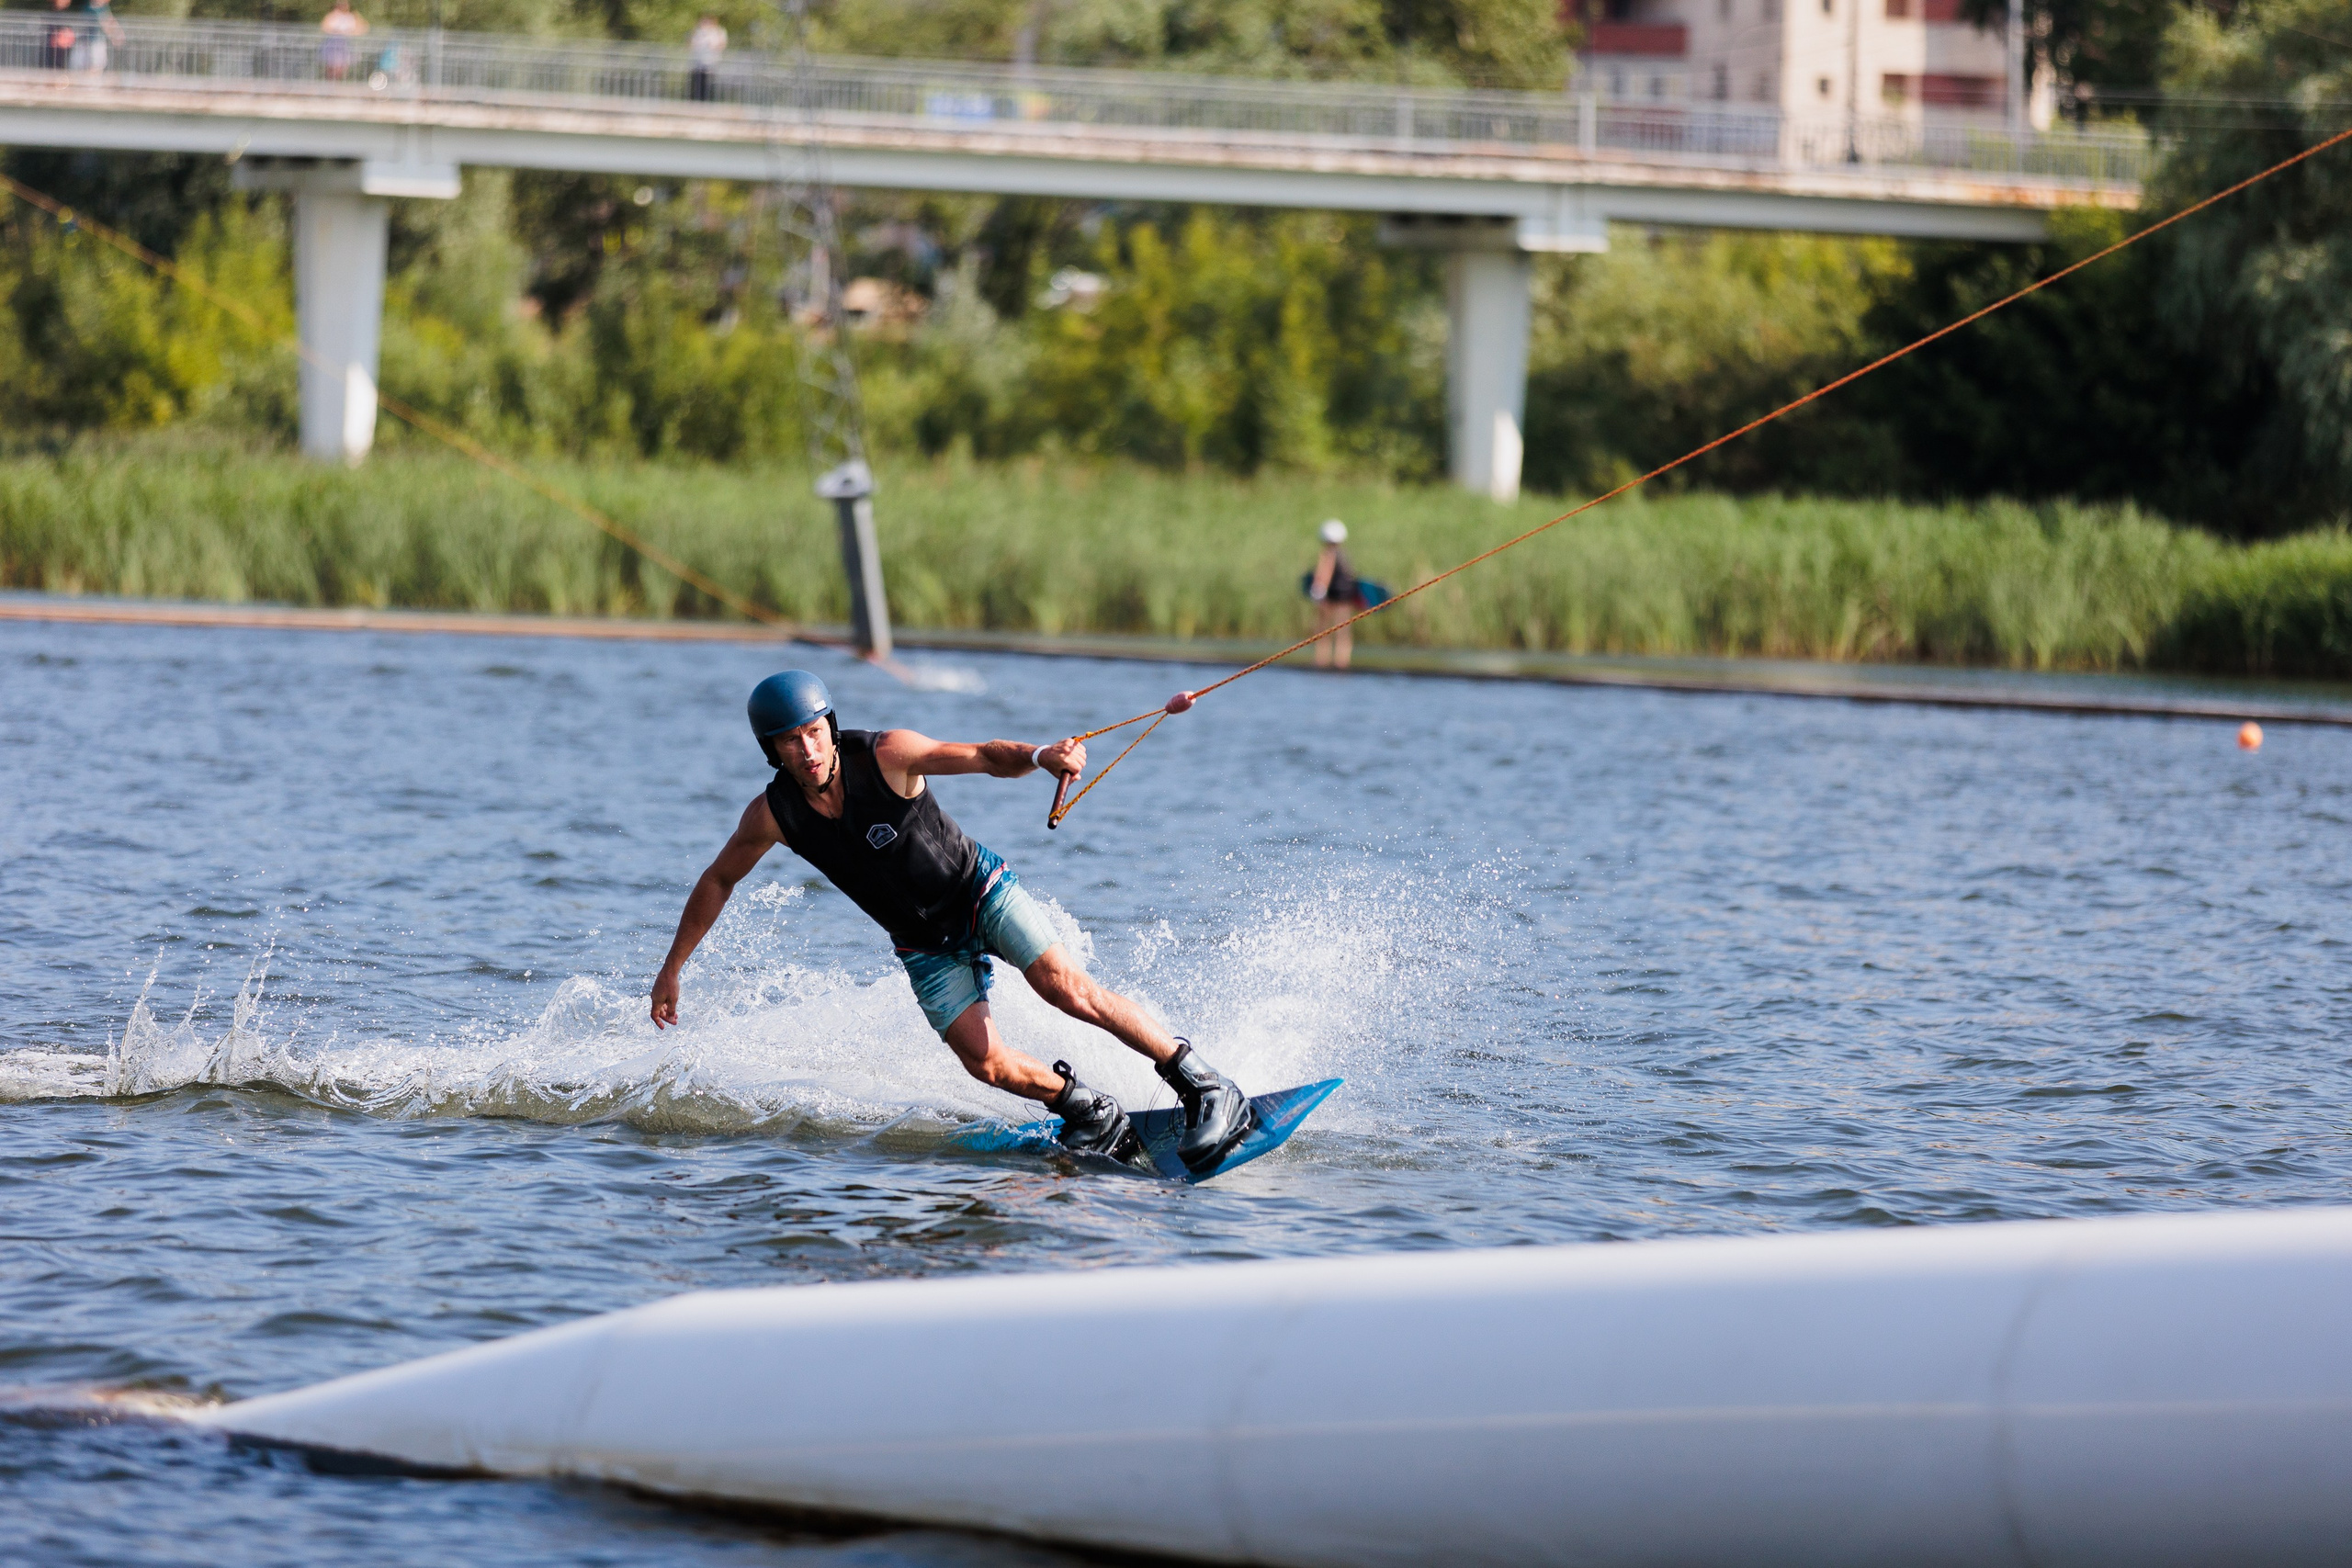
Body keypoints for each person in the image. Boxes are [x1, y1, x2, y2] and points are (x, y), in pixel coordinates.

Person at [649, 671, 1255, 1175]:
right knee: (981, 1059)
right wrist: (674, 968)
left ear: (829, 727)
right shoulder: (773, 814)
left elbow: (982, 756)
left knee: (1065, 988)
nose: (806, 751)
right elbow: (718, 879)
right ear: (772, 750)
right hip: (922, 942)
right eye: (789, 741)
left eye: (813, 733)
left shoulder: (888, 754)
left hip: (979, 891)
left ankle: (1202, 1083)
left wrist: (1041, 756)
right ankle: (1089, 1109)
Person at [1304, 518, 1363, 670]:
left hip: (1330, 597)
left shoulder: (1327, 553)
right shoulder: (1344, 555)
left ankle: (1321, 660)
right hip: (1346, 596)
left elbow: (1324, 573)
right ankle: (1342, 661)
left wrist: (1318, 590)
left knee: (1323, 628)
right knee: (1343, 629)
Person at [319, 0, 368, 83]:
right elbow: (325, 27)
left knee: (341, 68)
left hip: (345, 46)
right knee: (331, 67)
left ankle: (337, 85)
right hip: (333, 45)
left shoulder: (352, 16)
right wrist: (337, 31)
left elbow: (363, 28)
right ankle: (330, 85)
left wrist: (350, 32)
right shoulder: (332, 16)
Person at [687, 14, 727, 103]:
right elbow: (691, 44)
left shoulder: (718, 32)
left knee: (708, 85)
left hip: (711, 63)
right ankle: (695, 103)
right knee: (697, 85)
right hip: (698, 63)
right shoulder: (698, 32)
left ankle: (708, 103)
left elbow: (721, 45)